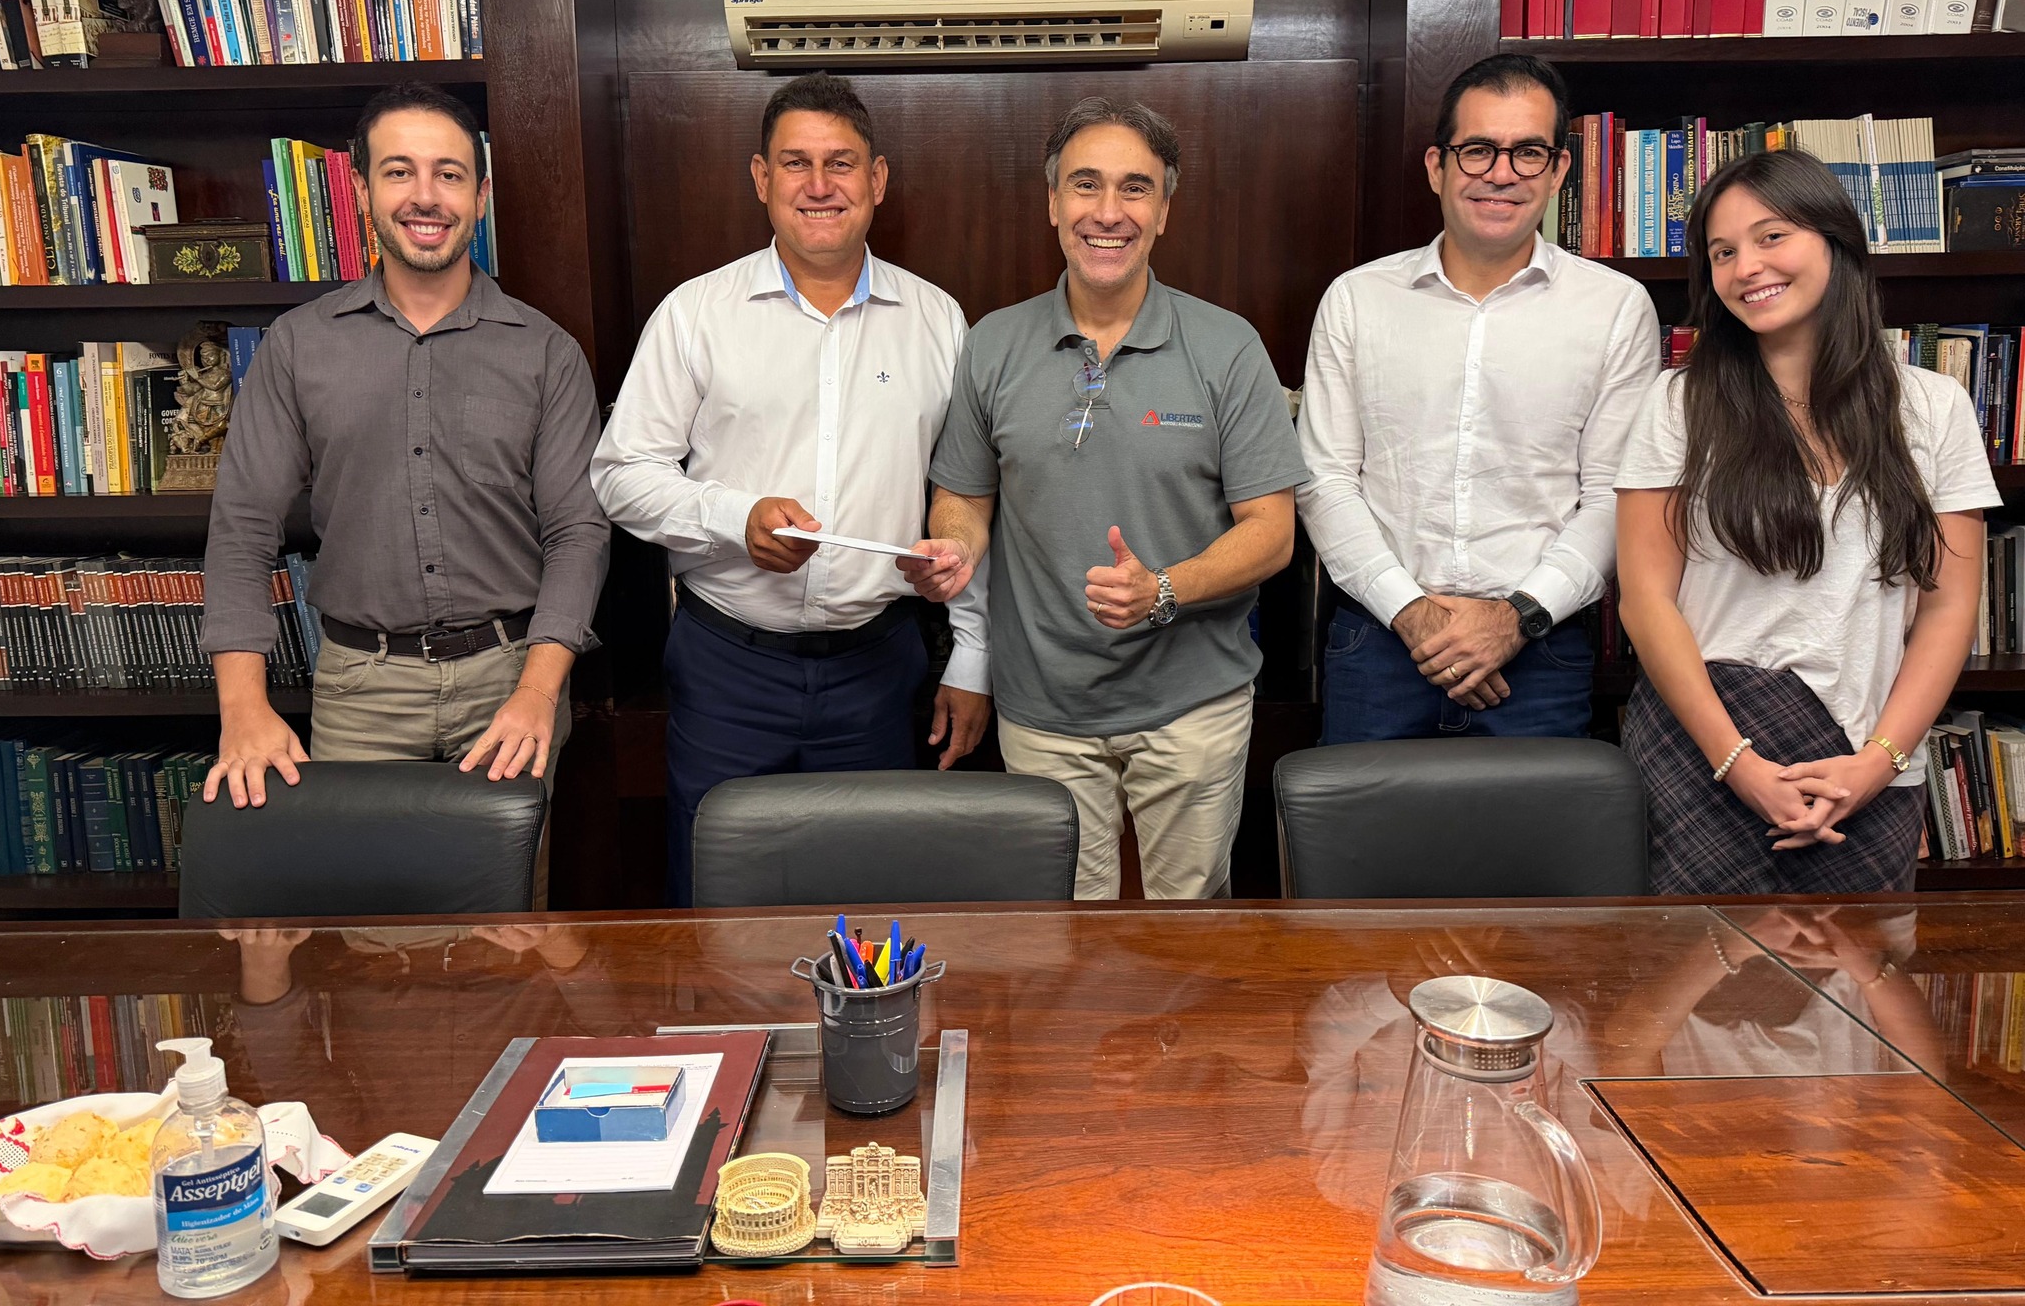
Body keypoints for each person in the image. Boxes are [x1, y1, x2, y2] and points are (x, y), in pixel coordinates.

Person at [591, 72, 991, 908]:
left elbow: (969, 494)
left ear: (876, 179)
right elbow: (620, 475)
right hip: (728, 669)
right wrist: (734, 518)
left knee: (870, 911)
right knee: (719, 908)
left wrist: (974, 657)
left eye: (840, 163)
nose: (819, 185)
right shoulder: (695, 314)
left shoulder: (939, 323)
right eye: (795, 163)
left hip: (880, 671)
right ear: (761, 178)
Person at [908, 98, 1307, 901]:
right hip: (1043, 709)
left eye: (1135, 188)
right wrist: (953, 545)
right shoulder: (992, 344)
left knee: (1187, 939)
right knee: (1066, 942)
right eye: (1086, 185)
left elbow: (1272, 532)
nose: (1108, 212)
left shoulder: (1227, 346)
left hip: (1193, 706)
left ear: (1164, 210)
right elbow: (964, 500)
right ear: (1053, 203)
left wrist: (1164, 589)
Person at [201, 82, 609, 841]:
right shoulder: (297, 346)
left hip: (511, 681)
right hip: (360, 689)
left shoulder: (546, 353)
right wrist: (243, 706)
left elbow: (578, 533)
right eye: (399, 172)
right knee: (364, 912)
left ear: (480, 196)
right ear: (361, 190)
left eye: (449, 174)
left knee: (505, 910)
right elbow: (243, 527)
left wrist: (538, 693)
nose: (426, 196)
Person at [1614, 149, 1995, 894]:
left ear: (1835, 241)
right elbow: (1646, 600)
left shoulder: (1933, 406)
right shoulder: (1677, 404)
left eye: (1771, 237)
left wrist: (1877, 763)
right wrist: (1738, 763)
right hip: (1704, 760)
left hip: (1867, 770)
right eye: (1722, 252)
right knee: (1693, 969)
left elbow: (1949, 606)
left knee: (1855, 969)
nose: (1746, 267)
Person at [1297, 53, 1659, 743]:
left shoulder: (1616, 308)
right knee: (1359, 821)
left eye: (1528, 152)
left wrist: (1514, 618)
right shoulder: (1356, 300)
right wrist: (1413, 614)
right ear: (1437, 166)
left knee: (1531, 824)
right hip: (1378, 646)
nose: (1501, 173)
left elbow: (1615, 497)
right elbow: (1324, 480)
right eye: (1478, 150)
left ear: (1558, 170)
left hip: (1539, 654)